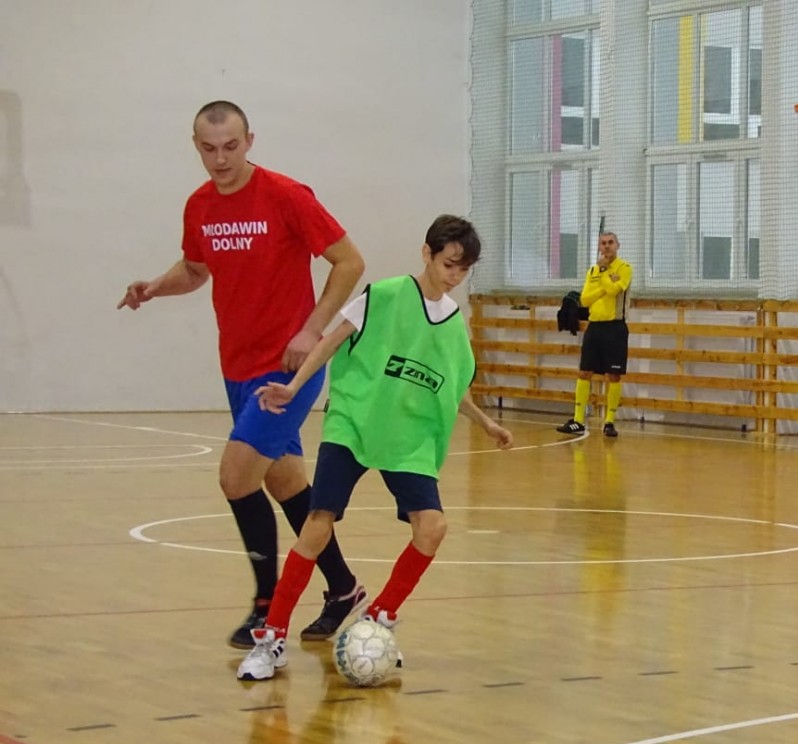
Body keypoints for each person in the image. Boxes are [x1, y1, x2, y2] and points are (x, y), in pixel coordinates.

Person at [119, 100, 368, 649]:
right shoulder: (199, 205)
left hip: (288, 367)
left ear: (249, 141)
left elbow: (349, 261)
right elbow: (195, 269)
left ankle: (265, 609)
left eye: (231, 146)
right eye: (209, 149)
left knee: (236, 477)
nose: (221, 159)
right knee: (285, 481)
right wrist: (155, 287)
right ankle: (343, 587)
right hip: (236, 366)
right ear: (196, 146)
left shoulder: (286, 195)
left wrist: (312, 330)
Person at [236, 214, 514, 681]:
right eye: (448, 264)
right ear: (426, 254)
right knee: (317, 524)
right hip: (354, 424)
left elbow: (449, 388)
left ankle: (379, 619)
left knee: (433, 527)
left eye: (464, 270)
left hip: (408, 440)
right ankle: (272, 638)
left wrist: (486, 422)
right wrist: (294, 386)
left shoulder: (454, 326)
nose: (455, 276)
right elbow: (329, 343)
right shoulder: (383, 295)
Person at [556, 231, 633, 437]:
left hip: (615, 327)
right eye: (603, 243)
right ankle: (578, 420)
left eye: (610, 243)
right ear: (599, 247)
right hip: (595, 327)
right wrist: (603, 282)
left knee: (613, 375)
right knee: (584, 372)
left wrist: (605, 273)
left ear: (617, 245)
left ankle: (609, 421)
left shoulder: (624, 268)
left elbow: (614, 290)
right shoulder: (593, 270)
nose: (607, 246)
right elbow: (585, 299)